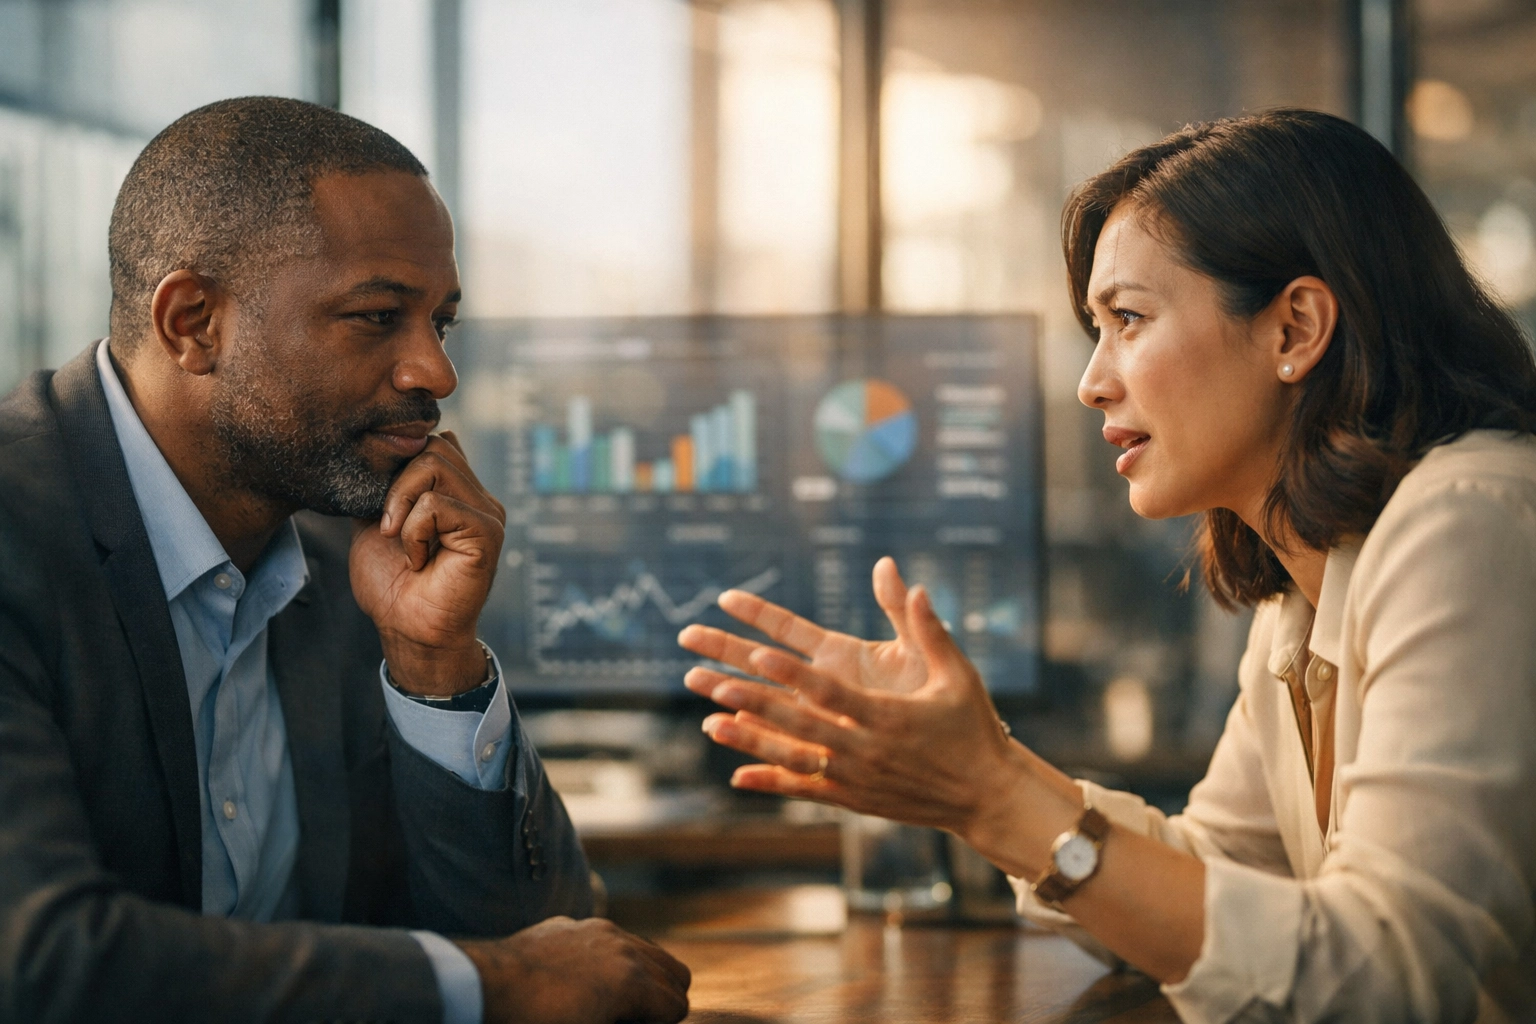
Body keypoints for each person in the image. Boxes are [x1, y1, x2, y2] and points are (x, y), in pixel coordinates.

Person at [678, 109, 1536, 1023]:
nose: (1092, 381)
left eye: (1128, 318)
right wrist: (973, 776)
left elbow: (1391, 974)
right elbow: (1211, 874)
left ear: (1294, 329)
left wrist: (992, 793)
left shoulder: (1468, 521)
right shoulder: (1305, 590)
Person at [0, 97, 689, 1024]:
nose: (436, 373)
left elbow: (563, 950)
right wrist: (496, 984)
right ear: (193, 322)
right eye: (378, 317)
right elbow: (40, 962)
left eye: (440, 323)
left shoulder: (353, 561)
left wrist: (435, 664)